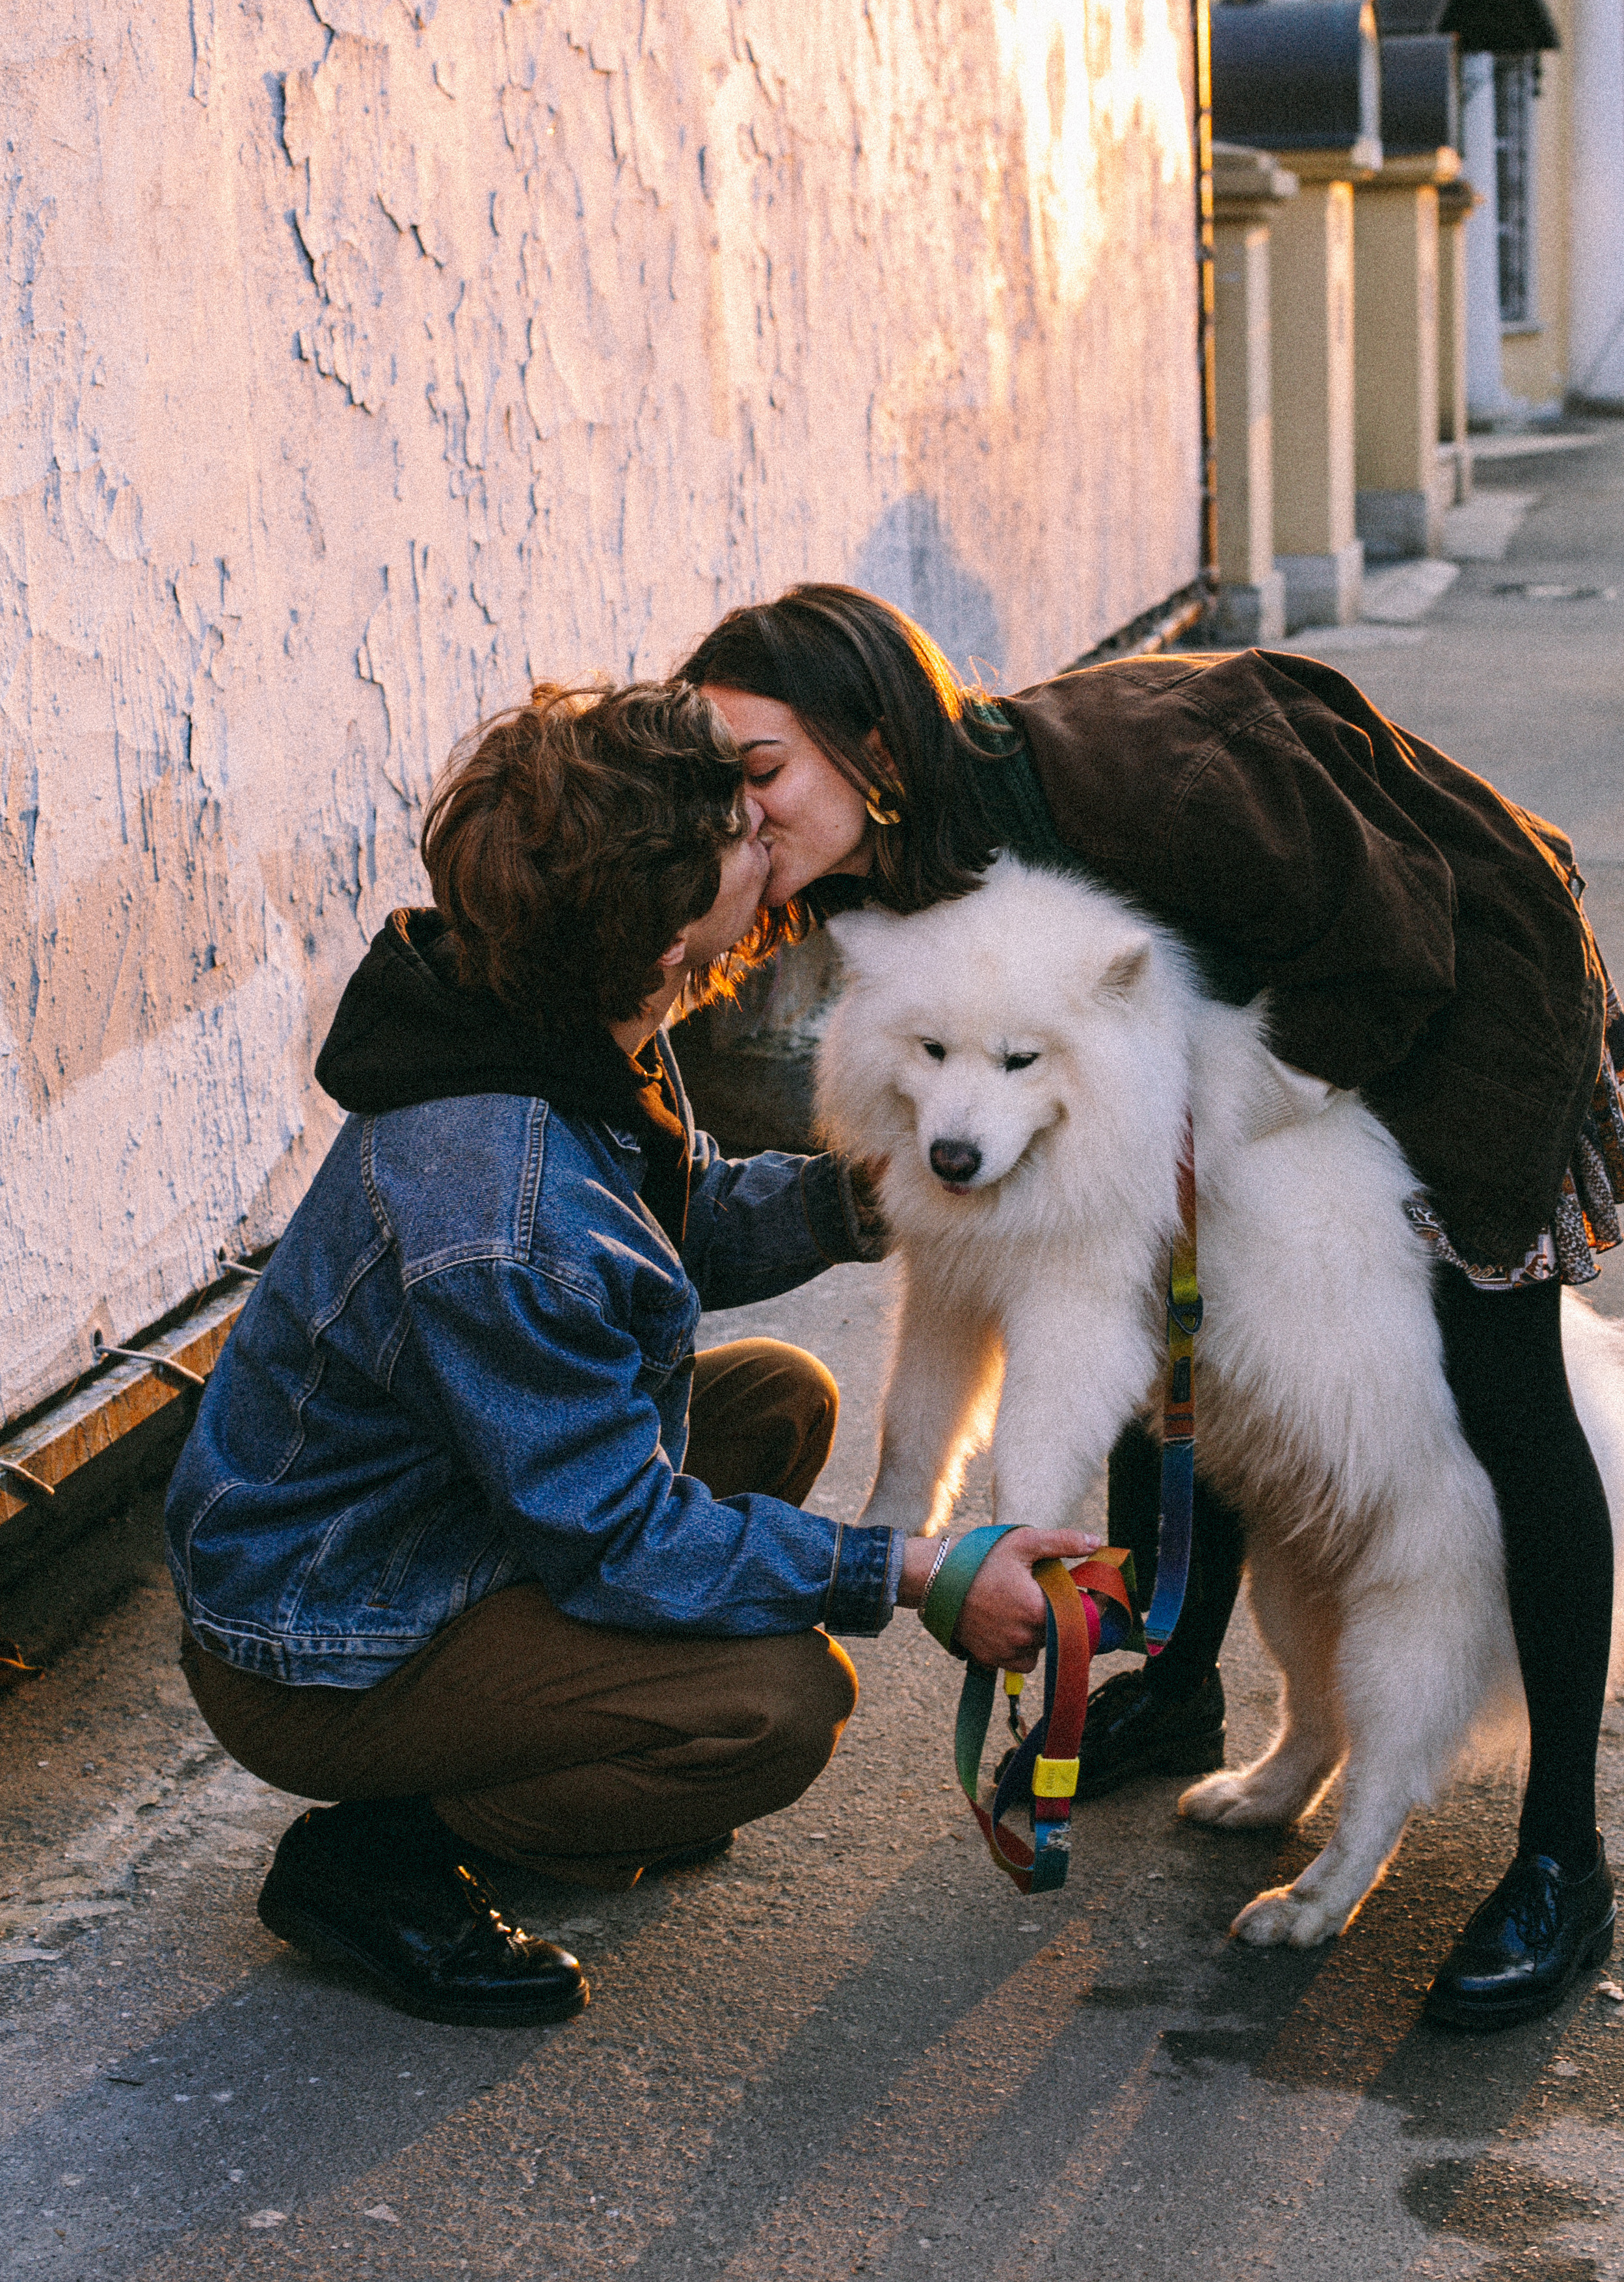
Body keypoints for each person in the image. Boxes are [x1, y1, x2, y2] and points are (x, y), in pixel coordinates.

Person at [676, 582, 1624, 2031]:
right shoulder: (891, 865)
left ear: (869, 740)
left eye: (759, 772)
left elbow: (1397, 942)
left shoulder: (1148, 771)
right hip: (1274, 1022)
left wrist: (1209, 1126)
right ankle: (1177, 1689)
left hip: (1460, 993)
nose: (741, 817)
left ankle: (1562, 1853)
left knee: (1495, 1401)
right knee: (1166, 1322)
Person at [166, 679, 1085, 2027]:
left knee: (778, 1398)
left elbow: (668, 1217)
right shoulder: (497, 1207)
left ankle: (575, 1741)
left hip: (438, 1518)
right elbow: (619, 1538)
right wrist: (916, 1570)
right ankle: (381, 1851)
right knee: (774, 1704)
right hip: (323, 1638)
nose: (769, 832)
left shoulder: (554, 1016)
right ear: (662, 933)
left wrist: (868, 1194)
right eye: (741, 833)